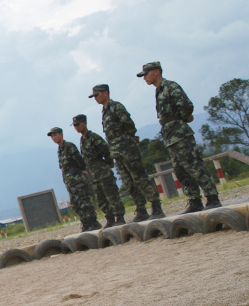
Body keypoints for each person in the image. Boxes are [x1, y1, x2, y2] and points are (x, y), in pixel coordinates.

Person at [138, 62, 222, 213]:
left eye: (146, 74)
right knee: (180, 169)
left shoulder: (170, 86)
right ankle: (195, 201)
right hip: (170, 136)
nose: (144, 78)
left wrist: (181, 119)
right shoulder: (159, 91)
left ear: (156, 72)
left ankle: (212, 197)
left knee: (194, 165)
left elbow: (186, 105)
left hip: (180, 134)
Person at [90, 84, 164, 221]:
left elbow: (129, 125)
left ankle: (156, 207)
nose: (95, 98)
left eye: (97, 95)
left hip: (126, 148)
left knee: (140, 177)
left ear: (105, 93)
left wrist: (128, 139)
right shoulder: (104, 111)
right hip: (116, 151)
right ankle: (141, 210)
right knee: (128, 182)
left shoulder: (116, 106)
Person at [72, 114, 126, 227]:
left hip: (102, 171)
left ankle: (120, 217)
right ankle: (110, 219)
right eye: (75, 126)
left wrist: (109, 162)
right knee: (100, 199)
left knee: (112, 195)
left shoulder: (93, 137)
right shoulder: (82, 139)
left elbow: (105, 150)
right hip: (93, 175)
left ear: (85, 123)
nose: (76, 127)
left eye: (78, 124)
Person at [48, 126, 101, 232]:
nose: (53, 138)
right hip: (69, 181)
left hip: (77, 179)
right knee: (76, 204)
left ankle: (93, 222)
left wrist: (82, 171)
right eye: (52, 136)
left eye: (55, 135)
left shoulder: (69, 146)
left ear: (61, 135)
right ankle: (85, 223)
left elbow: (79, 161)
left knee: (84, 201)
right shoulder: (60, 149)